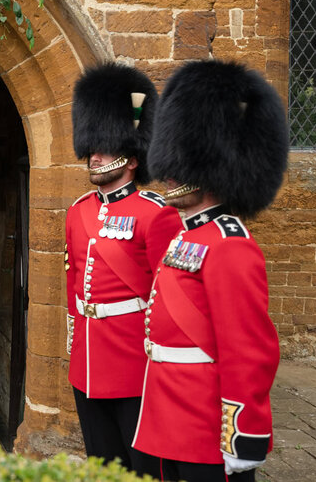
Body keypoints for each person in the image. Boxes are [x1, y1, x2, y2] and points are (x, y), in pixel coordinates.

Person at [131, 60, 287, 482]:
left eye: (177, 168)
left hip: (204, 427)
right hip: (166, 416)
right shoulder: (186, 236)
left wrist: (242, 435)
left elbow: (248, 350)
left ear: (204, 169)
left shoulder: (229, 245)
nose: (166, 178)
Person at [65, 63, 181, 469]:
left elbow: (169, 300)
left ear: (131, 159)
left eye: (105, 147)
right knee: (102, 466)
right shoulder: (78, 212)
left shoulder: (155, 214)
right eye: (91, 146)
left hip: (134, 365)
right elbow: (73, 287)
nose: (94, 155)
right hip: (88, 363)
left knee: (144, 468)